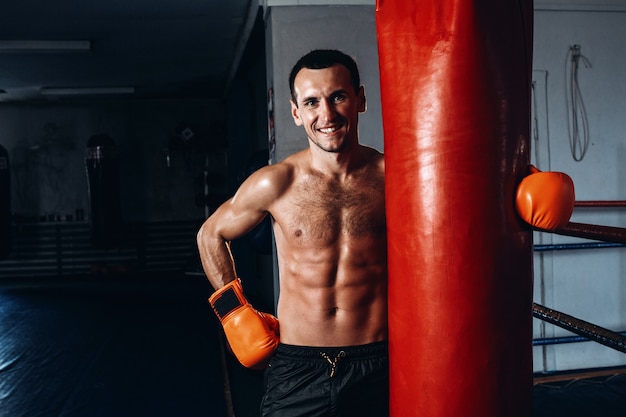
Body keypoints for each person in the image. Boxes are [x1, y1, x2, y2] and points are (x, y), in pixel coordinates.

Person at [196, 49, 388, 417]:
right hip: (299, 367)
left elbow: (463, 203)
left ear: (360, 99)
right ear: (296, 112)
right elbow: (211, 234)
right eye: (312, 102)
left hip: (378, 363)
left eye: (338, 97)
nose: (327, 115)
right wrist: (234, 314)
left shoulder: (393, 179)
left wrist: (519, 184)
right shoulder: (277, 182)